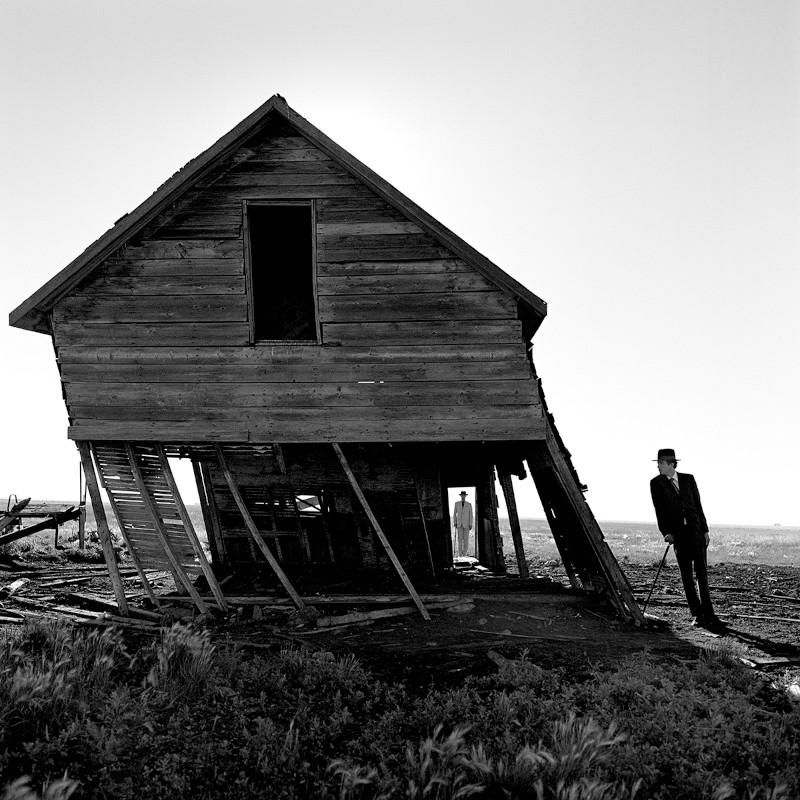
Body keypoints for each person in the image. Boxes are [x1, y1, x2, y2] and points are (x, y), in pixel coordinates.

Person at [649, 448, 722, 630]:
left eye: (661, 463)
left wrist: (705, 530)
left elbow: (698, 505)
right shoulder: (656, 483)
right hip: (678, 535)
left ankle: (710, 615)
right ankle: (697, 615)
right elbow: (659, 510)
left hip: (696, 532)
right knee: (686, 576)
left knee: (702, 574)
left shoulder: (688, 479)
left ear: (671, 464)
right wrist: (666, 532)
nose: (658, 466)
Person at [452, 491, 473, 557]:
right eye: (462, 495)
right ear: (460, 496)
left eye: (464, 495)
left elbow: (471, 515)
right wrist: (455, 522)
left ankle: (465, 553)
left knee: (466, 540)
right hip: (459, 524)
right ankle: (460, 554)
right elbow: (454, 514)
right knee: (460, 540)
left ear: (465, 496)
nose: (463, 496)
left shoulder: (469, 504)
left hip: (466, 524)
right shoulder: (456, 504)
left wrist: (470, 524)